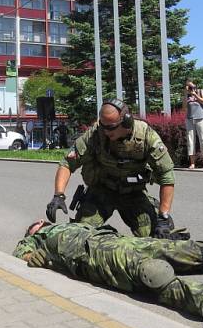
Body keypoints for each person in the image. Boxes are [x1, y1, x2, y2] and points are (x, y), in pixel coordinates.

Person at [14, 220, 203, 328]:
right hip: (103, 258)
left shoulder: (74, 224)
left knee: (200, 253)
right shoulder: (40, 239)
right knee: (156, 278)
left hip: (130, 243)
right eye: (35, 225)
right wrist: (32, 255)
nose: (38, 223)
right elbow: (18, 254)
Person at [46, 98, 180, 239]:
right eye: (103, 126)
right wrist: (58, 195)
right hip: (101, 192)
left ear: (127, 122)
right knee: (80, 237)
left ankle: (153, 210)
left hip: (133, 193)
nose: (106, 131)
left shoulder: (147, 136)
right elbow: (67, 163)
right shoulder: (95, 134)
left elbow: (166, 174)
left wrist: (163, 216)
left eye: (111, 127)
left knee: (157, 236)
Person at [185, 80, 203, 169]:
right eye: (188, 86)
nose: (190, 87)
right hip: (190, 119)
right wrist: (185, 95)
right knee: (190, 141)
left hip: (201, 118)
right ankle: (192, 163)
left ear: (195, 85)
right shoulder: (187, 95)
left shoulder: (201, 91)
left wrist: (195, 95)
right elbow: (183, 107)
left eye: (191, 85)